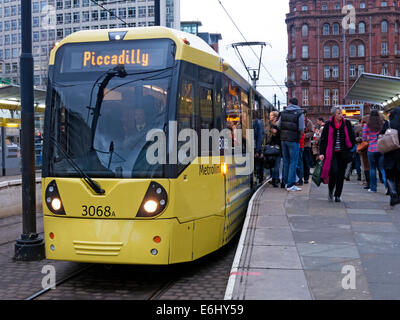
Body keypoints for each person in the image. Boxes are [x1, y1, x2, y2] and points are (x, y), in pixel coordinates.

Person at [319, 106, 355, 202]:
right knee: (334, 172)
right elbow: (323, 140)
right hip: (332, 153)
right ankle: (331, 190)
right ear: (334, 115)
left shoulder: (347, 123)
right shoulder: (328, 124)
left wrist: (350, 148)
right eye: (338, 113)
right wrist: (321, 153)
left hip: (343, 153)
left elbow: (352, 137)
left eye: (341, 113)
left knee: (341, 175)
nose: (340, 115)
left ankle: (338, 195)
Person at [277, 97, 305, 191]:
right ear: (297, 104)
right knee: (293, 162)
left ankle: (285, 182)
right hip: (294, 140)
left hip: (283, 139)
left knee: (286, 161)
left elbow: (278, 125)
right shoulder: (300, 113)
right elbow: (301, 128)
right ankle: (290, 185)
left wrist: (284, 133)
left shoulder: (283, 112)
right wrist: (298, 136)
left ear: (289, 103)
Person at [362, 110, 386, 193]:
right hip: (381, 149)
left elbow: (364, 138)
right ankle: (388, 188)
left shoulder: (367, 125)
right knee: (382, 168)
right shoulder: (382, 124)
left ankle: (373, 188)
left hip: (371, 149)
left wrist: (369, 138)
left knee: (372, 168)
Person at [380, 106, 400, 206]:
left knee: (390, 175)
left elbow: (381, 134)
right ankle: (398, 196)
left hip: (390, 152)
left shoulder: (389, 124)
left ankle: (392, 191)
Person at [268, 111, 281, 187]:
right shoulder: (273, 125)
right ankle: (274, 179)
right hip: (275, 147)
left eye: (271, 115)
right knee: (275, 164)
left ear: (275, 117)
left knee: (276, 164)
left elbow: (277, 135)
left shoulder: (276, 125)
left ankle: (275, 180)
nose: (269, 117)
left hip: (277, 147)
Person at [253, 110, 265, 183]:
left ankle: (259, 178)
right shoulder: (259, 122)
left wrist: (257, 150)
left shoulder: (257, 123)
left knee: (258, 164)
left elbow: (259, 137)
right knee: (259, 163)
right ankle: (260, 177)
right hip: (258, 146)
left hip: (257, 147)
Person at [302, 110, 314, 184]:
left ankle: (306, 178)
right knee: (300, 162)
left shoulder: (309, 122)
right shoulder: (299, 121)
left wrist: (304, 136)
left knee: (306, 162)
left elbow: (312, 132)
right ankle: (301, 177)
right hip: (299, 145)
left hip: (306, 145)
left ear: (305, 114)